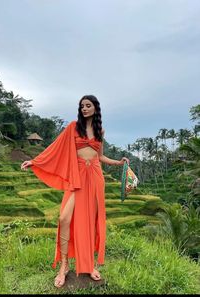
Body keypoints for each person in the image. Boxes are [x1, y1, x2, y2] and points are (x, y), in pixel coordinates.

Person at [21, 95, 130, 288]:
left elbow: (100, 156)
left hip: (95, 178)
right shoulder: (73, 127)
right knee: (64, 218)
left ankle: (88, 265)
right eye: (82, 106)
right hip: (77, 176)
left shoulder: (100, 130)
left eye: (88, 106)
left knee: (89, 222)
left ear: (95, 108)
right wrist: (35, 161)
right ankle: (64, 265)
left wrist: (118, 162)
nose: (84, 109)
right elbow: (55, 148)